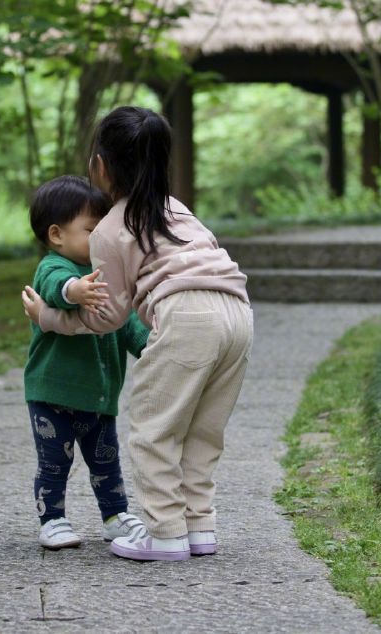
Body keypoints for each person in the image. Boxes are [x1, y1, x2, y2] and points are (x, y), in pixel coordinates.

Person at [22, 107, 253, 562]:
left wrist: (49, 318)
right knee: (203, 430)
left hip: (188, 317)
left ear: (101, 167)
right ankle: (198, 526)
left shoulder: (110, 229)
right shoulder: (177, 210)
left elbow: (105, 317)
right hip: (239, 315)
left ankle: (165, 532)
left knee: (154, 428)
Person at [24, 174, 149, 550]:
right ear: (57, 235)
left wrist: (154, 345)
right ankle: (53, 519)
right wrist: (75, 291)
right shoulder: (53, 267)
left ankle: (114, 516)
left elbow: (125, 322)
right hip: (52, 392)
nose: (101, 239)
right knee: (54, 463)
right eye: (92, 230)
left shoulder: (107, 274)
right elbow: (54, 291)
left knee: (106, 462)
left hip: (98, 394)